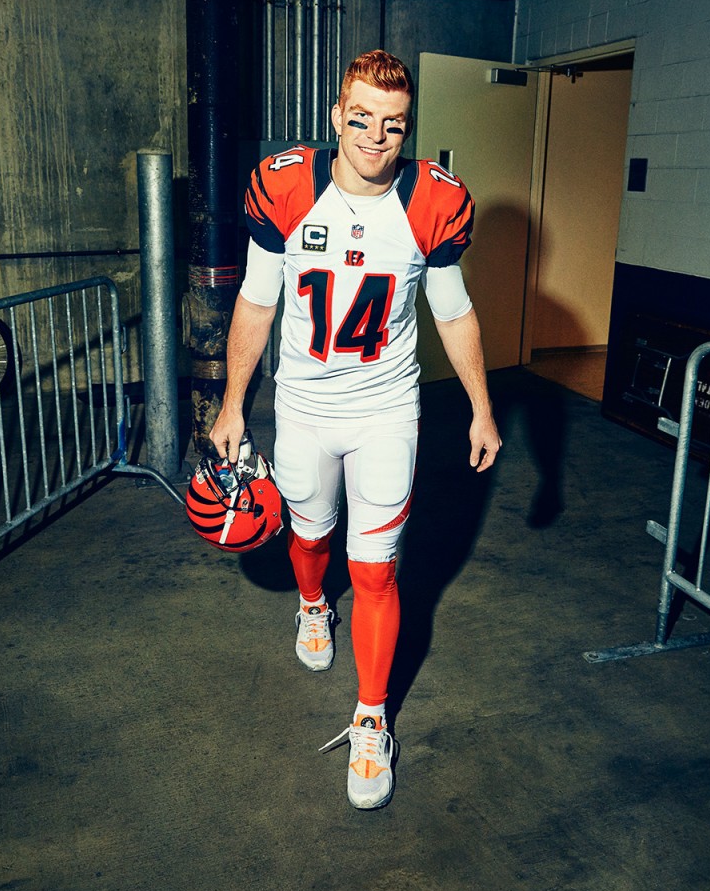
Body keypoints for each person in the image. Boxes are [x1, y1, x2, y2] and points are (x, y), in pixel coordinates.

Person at [210, 49, 501, 810]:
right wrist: (234, 400)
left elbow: (453, 311)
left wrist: (481, 405)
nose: (376, 137)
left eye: (394, 125)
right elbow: (255, 301)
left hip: (385, 414)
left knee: (375, 569)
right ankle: (312, 606)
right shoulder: (286, 187)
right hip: (302, 406)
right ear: (337, 116)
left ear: (410, 132)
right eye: (362, 118)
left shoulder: (431, 203)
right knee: (308, 539)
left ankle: (371, 719)